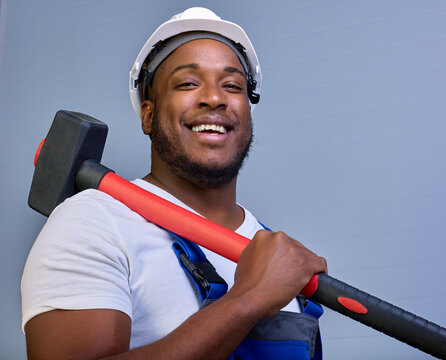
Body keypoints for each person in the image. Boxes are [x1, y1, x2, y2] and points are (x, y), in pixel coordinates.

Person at [21, 7, 327, 360]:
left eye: (232, 86)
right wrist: (248, 299)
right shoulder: (94, 224)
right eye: (187, 83)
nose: (214, 98)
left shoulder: (278, 256)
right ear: (148, 115)